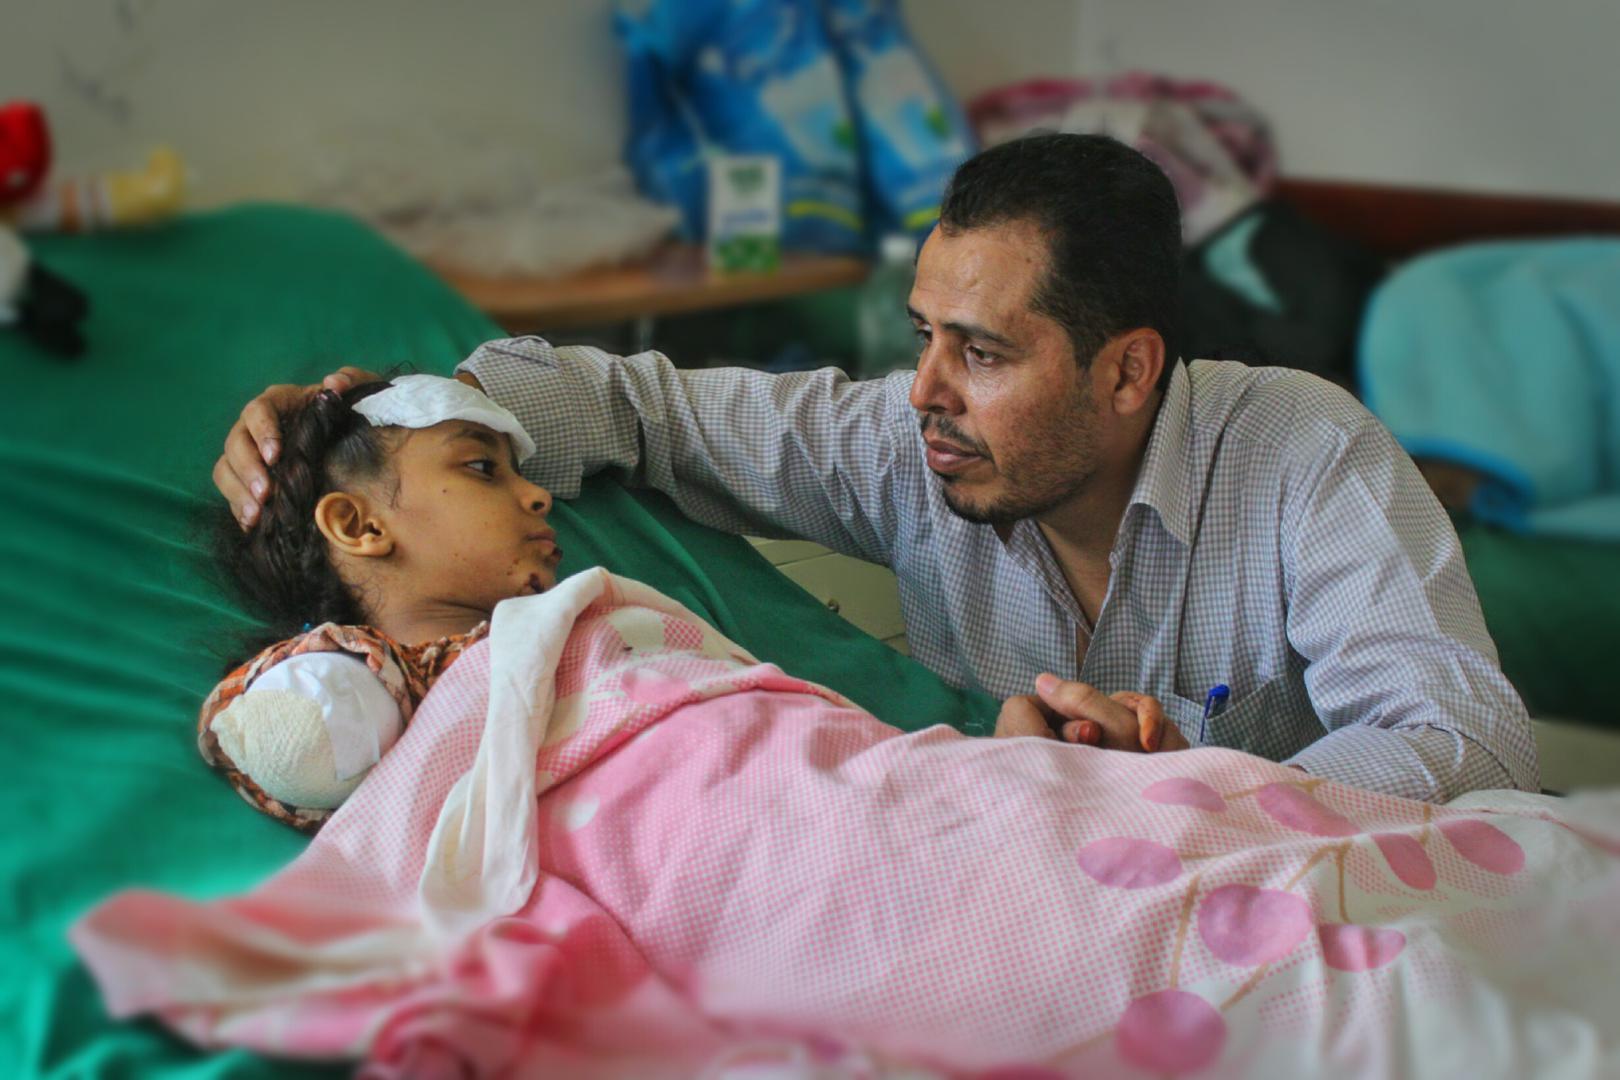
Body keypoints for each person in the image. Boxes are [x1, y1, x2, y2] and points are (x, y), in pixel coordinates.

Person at [214, 134, 1535, 802]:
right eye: (922, 336)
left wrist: (1184, 774)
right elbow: (632, 406)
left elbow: (1467, 743)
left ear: (1129, 372)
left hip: (1294, 910)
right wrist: (376, 417)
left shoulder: (1303, 453)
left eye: (982, 353)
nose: (924, 393)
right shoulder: (909, 449)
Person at [203, 374, 1184, 830]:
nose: (538, 496)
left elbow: (779, 743)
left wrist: (1002, 767)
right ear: (358, 525)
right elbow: (290, 735)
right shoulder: (394, 683)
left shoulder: (586, 625)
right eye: (483, 469)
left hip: (848, 784)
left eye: (981, 354)